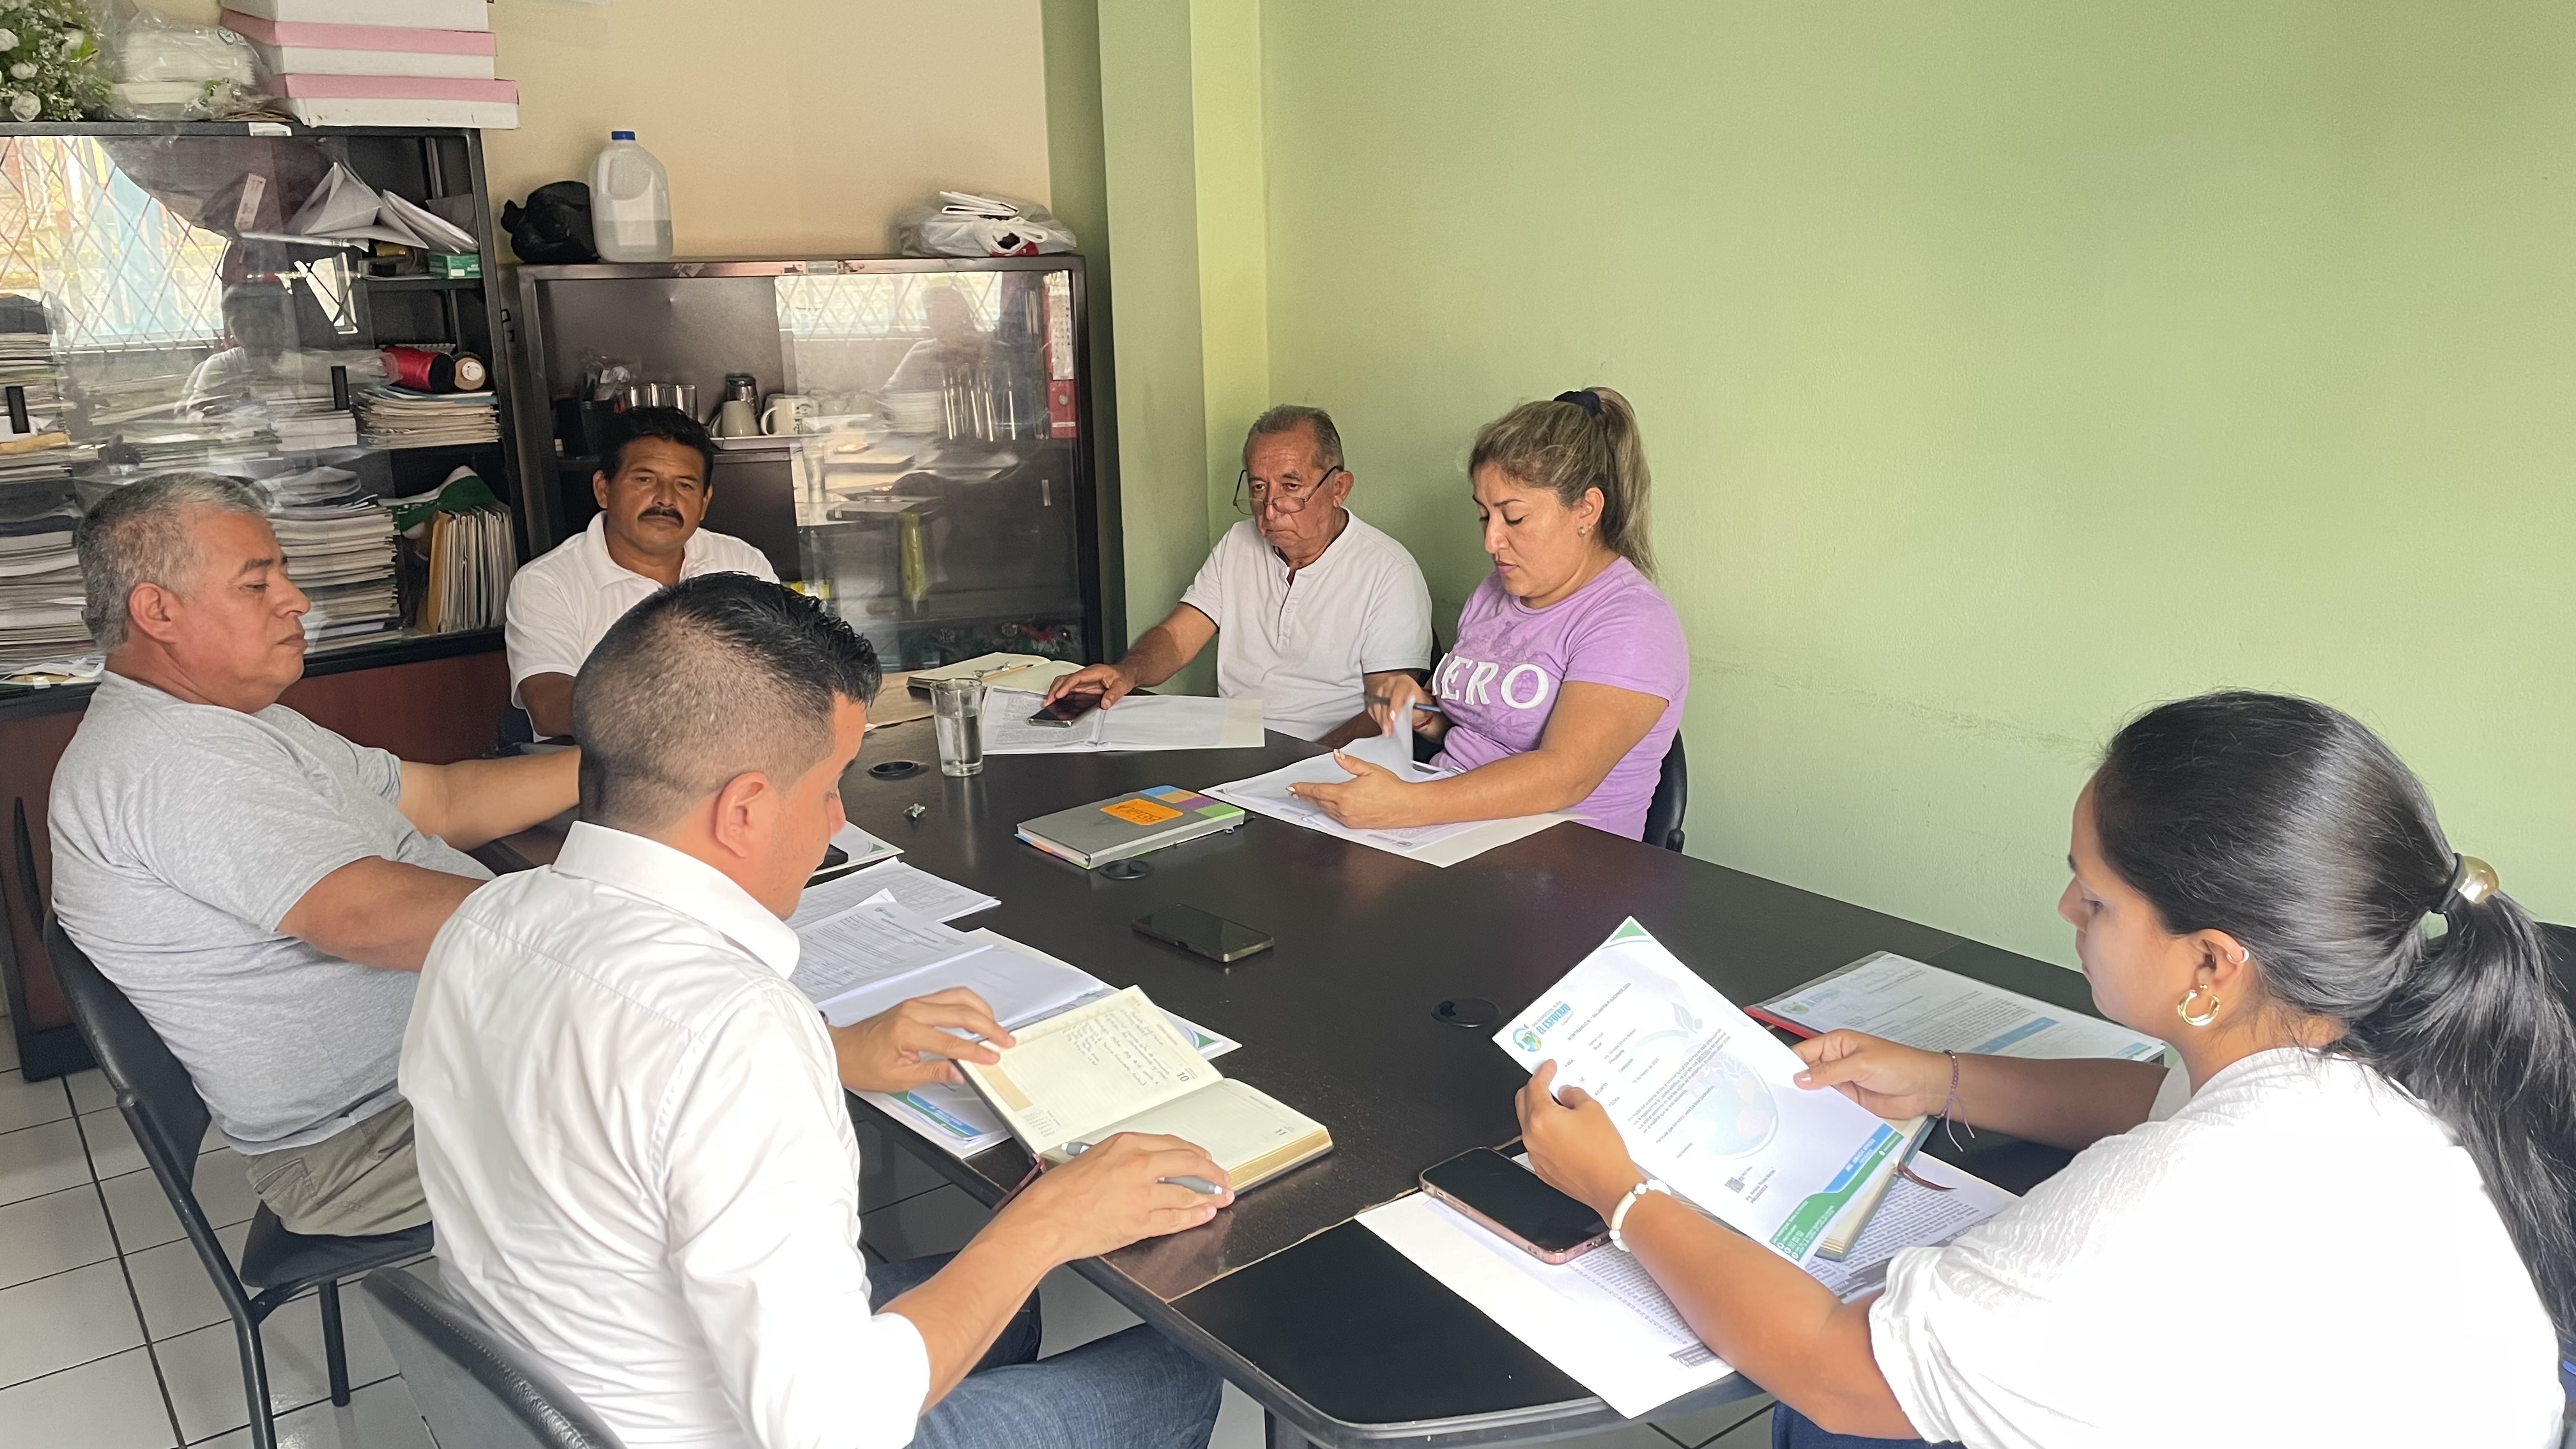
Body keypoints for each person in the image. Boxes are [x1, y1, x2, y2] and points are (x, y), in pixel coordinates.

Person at [1516, 691, 2573, 1449]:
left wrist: (1621, 1189)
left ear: (2211, 964)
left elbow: (1838, 1371)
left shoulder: (2185, 1195)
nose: (2067, 909)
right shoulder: (2390, 1032)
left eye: (2096, 898)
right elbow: (2155, 1095)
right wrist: (1941, 1079)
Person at [404, 572, 1229, 1449]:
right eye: (832, 786)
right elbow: (832, 1427)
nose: (838, 820)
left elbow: (627, 1083)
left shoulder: (486, 921)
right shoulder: (738, 1033)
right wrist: (1047, 1222)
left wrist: (834, 1050)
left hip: (566, 1381)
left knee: (1006, 1310)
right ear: (744, 810)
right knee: (1177, 1372)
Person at [48, 473, 578, 1237]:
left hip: (447, 1066)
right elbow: (370, 918)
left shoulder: (241, 722)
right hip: (371, 1139)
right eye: (256, 583)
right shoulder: (172, 757)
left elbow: (443, 800)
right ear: (157, 611)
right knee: (715, 1095)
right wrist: (611, 921)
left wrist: (627, 766)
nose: (295, 600)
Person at [1289, 387, 1685, 839]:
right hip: (1449, 831)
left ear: (1586, 510)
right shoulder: (1495, 592)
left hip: (1563, 858)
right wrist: (1422, 713)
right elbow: (1479, 730)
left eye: (1513, 518)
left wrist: (1406, 805)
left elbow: (1565, 776)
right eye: (1484, 516)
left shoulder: (1633, 622)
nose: (1491, 541)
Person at [1045, 405, 1432, 746]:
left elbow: (1386, 710)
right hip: (1234, 747)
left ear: (1338, 488)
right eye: (1259, 487)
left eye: (1291, 487)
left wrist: (1301, 762)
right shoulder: (1238, 543)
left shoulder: (1389, 571)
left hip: (1333, 760)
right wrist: (1126, 672)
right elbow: (1177, 638)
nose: (1270, 509)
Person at [504, 405, 776, 737]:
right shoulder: (548, 583)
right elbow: (549, 707)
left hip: (741, 756)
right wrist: (688, 706)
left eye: (685, 485)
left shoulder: (741, 562)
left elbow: (789, 665)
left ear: (705, 502)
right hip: (604, 766)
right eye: (645, 480)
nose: (665, 499)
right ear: (603, 489)